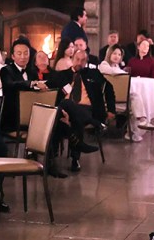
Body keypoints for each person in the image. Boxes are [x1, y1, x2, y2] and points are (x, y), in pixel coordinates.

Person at [45, 45, 108, 175]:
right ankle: (75, 157)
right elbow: (48, 86)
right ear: (72, 59)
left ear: (86, 61)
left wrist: (111, 109)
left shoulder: (93, 74)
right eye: (77, 59)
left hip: (85, 108)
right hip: (65, 109)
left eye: (82, 60)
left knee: (69, 117)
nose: (79, 62)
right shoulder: (62, 75)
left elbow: (109, 87)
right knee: (66, 105)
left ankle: (52, 160)